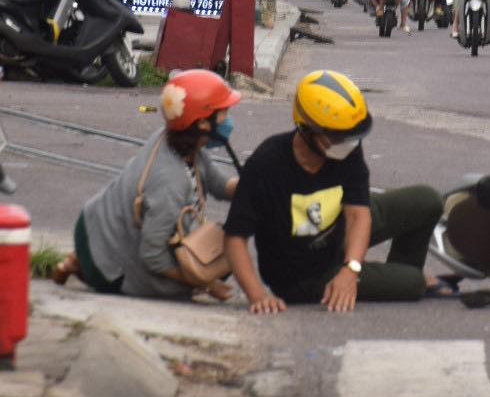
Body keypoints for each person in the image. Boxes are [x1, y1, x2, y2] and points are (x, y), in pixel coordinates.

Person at [224, 70, 449, 313]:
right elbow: (235, 239)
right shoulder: (266, 164)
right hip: (305, 276)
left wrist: (351, 270)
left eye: (351, 136)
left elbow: (358, 214)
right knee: (414, 284)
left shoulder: (345, 150)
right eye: (337, 136)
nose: (348, 143)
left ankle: (397, 272)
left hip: (338, 230)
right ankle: (403, 279)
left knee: (427, 200)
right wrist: (257, 296)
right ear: (307, 129)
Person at [53, 70, 240, 299]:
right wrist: (206, 284)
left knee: (208, 260)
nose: (228, 120)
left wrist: (255, 186)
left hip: (97, 225)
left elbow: (218, 183)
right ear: (202, 123)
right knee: (209, 267)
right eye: (223, 113)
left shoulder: (177, 140)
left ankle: (77, 261)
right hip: (108, 264)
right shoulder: (169, 181)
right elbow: (154, 256)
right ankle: (86, 267)